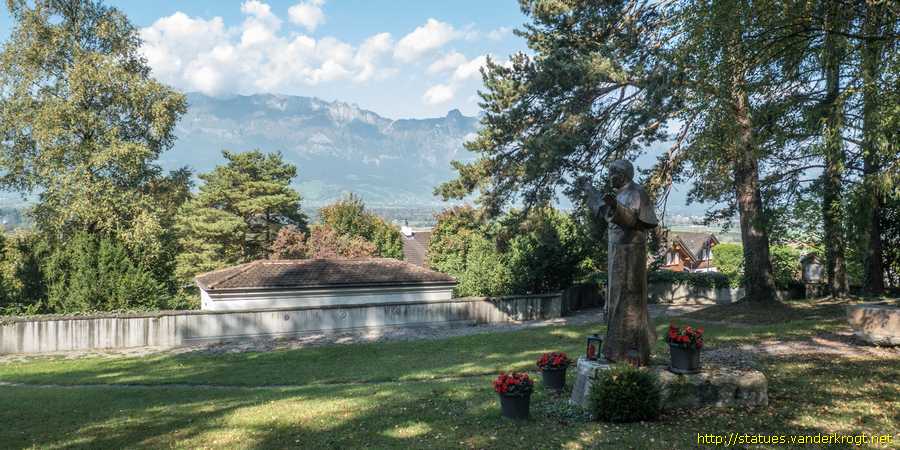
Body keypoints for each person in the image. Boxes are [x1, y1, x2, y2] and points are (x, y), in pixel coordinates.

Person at [581, 160, 658, 365]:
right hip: (617, 252)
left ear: (622, 174)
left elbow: (635, 220)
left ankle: (633, 350)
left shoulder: (636, 192)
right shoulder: (620, 194)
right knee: (615, 300)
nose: (609, 177)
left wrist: (616, 207)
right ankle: (616, 350)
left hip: (631, 254)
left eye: (612, 174)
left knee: (629, 299)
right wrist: (591, 192)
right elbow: (605, 212)